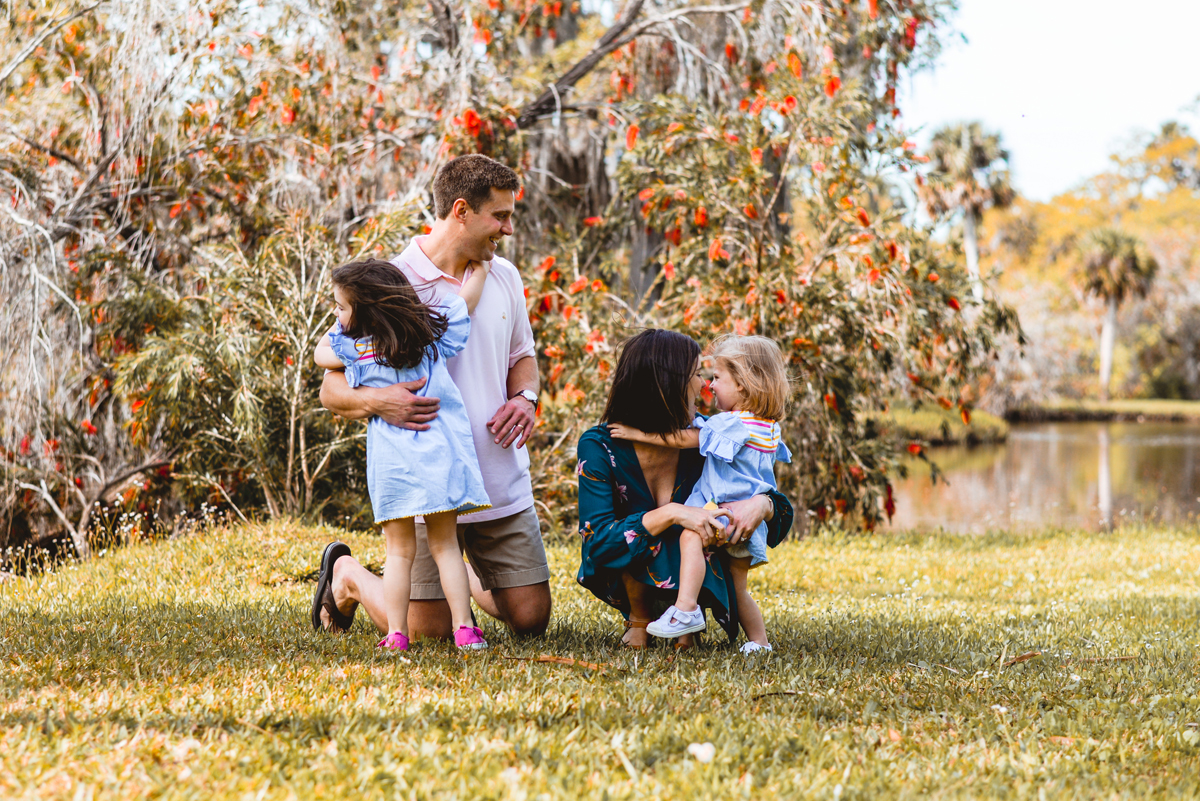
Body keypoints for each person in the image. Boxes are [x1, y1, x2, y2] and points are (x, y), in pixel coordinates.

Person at [312, 155, 550, 640]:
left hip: (497, 478)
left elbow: (523, 358)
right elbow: (331, 384)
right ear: (461, 211)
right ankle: (348, 576)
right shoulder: (389, 283)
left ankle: (460, 578)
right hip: (428, 482)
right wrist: (381, 403)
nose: (507, 229)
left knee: (530, 620)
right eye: (499, 216)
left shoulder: (503, 275)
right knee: (427, 631)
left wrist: (525, 398)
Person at [575, 329, 794, 649]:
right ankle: (640, 619)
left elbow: (779, 510)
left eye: (710, 375)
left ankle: (688, 621)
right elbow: (599, 544)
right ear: (666, 384)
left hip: (695, 566)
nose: (703, 384)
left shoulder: (709, 439)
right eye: (695, 373)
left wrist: (762, 504)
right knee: (662, 527)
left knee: (692, 533)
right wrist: (674, 513)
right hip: (628, 574)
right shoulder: (601, 446)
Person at [313, 259, 492, 651]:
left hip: (393, 467)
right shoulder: (428, 336)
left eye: (341, 306)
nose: (337, 314)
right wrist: (479, 272)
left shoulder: (359, 351)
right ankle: (465, 629)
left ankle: (397, 635)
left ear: (366, 311)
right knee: (447, 547)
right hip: (440, 460)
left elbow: (320, 354)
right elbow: (464, 303)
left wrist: (342, 332)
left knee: (398, 552)